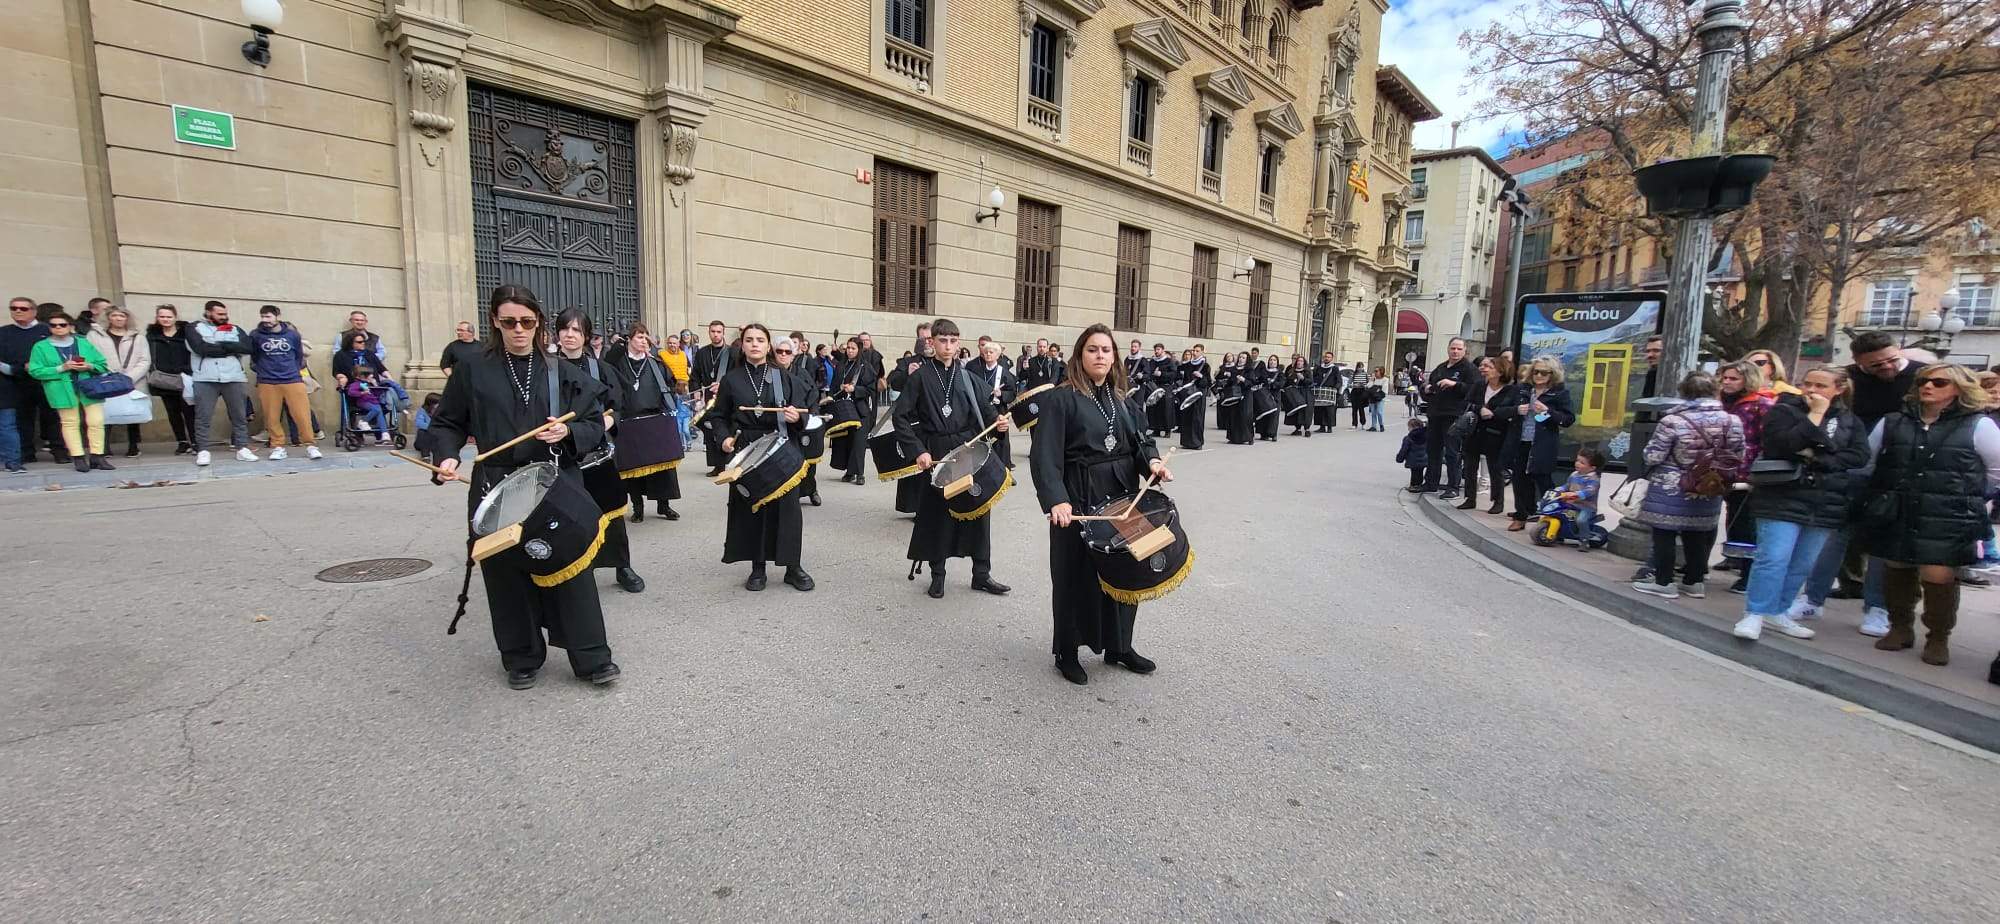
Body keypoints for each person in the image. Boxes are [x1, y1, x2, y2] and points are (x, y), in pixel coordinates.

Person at [428, 285, 618, 689]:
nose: (518, 330)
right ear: (495, 321)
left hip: (552, 480)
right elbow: (446, 423)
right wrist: (445, 456)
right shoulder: (473, 369)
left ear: (539, 323)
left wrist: (567, 430)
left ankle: (591, 657)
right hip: (496, 482)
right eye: (509, 321)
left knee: (571, 568)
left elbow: (594, 423)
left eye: (527, 322)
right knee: (505, 575)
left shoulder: (559, 371)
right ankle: (521, 656)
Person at [1029, 323, 1172, 685]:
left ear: (1114, 357)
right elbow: (1044, 455)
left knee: (1125, 570)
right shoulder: (1060, 398)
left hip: (1124, 493)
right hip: (1078, 497)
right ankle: (1067, 651)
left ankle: (1120, 646)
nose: (1100, 356)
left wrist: (1152, 463)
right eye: (1092, 349)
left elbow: (1142, 441)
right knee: (1074, 575)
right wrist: (1056, 499)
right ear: (1080, 355)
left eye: (1106, 350)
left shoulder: (1122, 398)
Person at [1863, 363, 1999, 668]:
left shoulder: (1978, 425)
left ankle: (1938, 636)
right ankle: (1900, 627)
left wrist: (1971, 495)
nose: (1928, 386)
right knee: (1896, 565)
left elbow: (1995, 471)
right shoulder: (1894, 422)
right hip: (1898, 506)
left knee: (1938, 573)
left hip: (1947, 512)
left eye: (1939, 382)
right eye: (1924, 380)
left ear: (1959, 388)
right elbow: (1870, 461)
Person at [1729, 366, 1871, 641]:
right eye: (1808, 383)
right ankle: (1756, 612)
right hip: (1783, 494)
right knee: (1774, 557)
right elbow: (1783, 445)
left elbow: (1859, 456)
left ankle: (1778, 610)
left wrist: (1817, 457)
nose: (1812, 391)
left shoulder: (1848, 420)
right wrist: (1815, 416)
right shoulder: (1784, 411)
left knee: (1803, 562)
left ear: (1839, 389)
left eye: (1821, 386)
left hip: (1825, 499)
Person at [892, 318, 1012, 599]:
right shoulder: (919, 377)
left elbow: (986, 415)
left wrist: (1000, 424)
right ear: (931, 342)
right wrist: (918, 450)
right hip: (935, 451)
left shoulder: (969, 378)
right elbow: (901, 418)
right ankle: (938, 575)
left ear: (959, 344)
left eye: (953, 341)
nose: (948, 346)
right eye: (942, 340)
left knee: (978, 510)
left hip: (966, 450)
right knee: (938, 516)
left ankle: (981, 574)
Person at [710, 323, 816, 592]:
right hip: (746, 449)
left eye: (760, 340)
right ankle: (758, 568)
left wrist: (798, 418)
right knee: (753, 509)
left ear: (768, 345)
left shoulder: (785, 377)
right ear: (742, 345)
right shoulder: (731, 380)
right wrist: (723, 438)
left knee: (789, 510)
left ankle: (793, 567)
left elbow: (807, 412)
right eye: (749, 340)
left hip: (781, 447)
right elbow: (718, 417)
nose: (755, 344)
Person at [552, 309, 645, 593]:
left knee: (612, 513)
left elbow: (620, 402)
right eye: (565, 329)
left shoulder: (601, 369)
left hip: (598, 455)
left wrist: (610, 419)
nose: (570, 335)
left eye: (576, 330)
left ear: (586, 336)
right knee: (568, 519)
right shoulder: (546, 370)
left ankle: (622, 566)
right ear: (557, 334)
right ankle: (576, 570)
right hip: (563, 458)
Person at [1631, 371, 1745, 599]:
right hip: (1709, 484)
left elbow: (1653, 455)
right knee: (1697, 532)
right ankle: (1694, 581)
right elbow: (1739, 453)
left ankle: (1664, 581)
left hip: (1672, 484)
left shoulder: (1672, 421)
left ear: (1683, 392)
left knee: (1664, 532)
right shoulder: (1732, 420)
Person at [606, 325, 683, 522]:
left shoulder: (656, 364)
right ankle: (637, 507)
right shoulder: (618, 363)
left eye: (646, 338)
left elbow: (670, 385)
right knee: (633, 469)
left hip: (655, 420)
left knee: (663, 469)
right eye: (639, 337)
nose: (643, 341)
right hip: (629, 421)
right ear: (629, 339)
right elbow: (607, 369)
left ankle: (664, 505)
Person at [1715, 360, 1777, 591]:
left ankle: (1749, 574)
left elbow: (1768, 442)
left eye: (1734, 378)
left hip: (1747, 472)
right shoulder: (1720, 403)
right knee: (1732, 520)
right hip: (1721, 470)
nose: (1727, 382)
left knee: (1746, 523)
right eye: (1725, 377)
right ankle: (1734, 560)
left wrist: (1755, 472)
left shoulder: (1762, 405)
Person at [27, 310, 114, 472]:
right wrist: (61, 368)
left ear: (70, 326)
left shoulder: (83, 342)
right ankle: (78, 457)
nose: (58, 328)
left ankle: (97, 456)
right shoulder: (41, 346)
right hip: (61, 388)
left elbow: (102, 363)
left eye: (62, 325)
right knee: (70, 422)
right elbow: (35, 370)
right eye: (53, 325)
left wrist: (89, 366)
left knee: (96, 421)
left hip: (88, 386)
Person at [1499, 356, 1574, 530]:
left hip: (1542, 444)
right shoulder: (1522, 389)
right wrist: (1516, 410)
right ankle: (1521, 515)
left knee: (1543, 481)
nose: (1539, 375)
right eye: (1535, 371)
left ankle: (1551, 517)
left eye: (1544, 372)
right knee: (1519, 480)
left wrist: (1548, 411)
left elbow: (1568, 419)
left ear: (1552, 374)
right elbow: (1500, 410)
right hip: (1521, 441)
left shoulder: (1560, 392)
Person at [184, 300, 256, 466]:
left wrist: (219, 346)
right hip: (205, 378)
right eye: (220, 314)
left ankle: (242, 447)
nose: (224, 317)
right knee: (203, 416)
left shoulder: (235, 328)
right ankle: (202, 450)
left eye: (225, 314)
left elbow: (247, 348)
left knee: (239, 415)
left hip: (234, 377)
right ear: (209, 313)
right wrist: (231, 348)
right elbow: (201, 348)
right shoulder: (193, 328)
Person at [248, 305, 321, 462]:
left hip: (292, 379)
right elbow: (254, 357)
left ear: (277, 316)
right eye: (263, 316)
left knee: (302, 414)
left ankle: (310, 445)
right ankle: (278, 446)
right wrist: (263, 371)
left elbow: (299, 356)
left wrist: (292, 370)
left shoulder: (292, 334)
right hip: (267, 381)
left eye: (268, 316)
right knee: (271, 416)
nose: (265, 320)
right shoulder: (255, 335)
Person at [1414, 338, 1478, 493]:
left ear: (1464, 351)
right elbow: (1429, 388)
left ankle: (1453, 486)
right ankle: (1430, 483)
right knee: (1433, 450)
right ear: (1448, 349)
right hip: (1435, 413)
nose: (1455, 351)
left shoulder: (1468, 369)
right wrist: (1427, 389)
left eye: (1458, 349)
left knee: (1452, 452)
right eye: (1453, 348)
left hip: (1454, 415)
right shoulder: (1441, 368)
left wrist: (1455, 384)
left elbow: (1474, 390)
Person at [86, 306, 150, 458]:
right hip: (105, 379)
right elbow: (90, 356)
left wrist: (130, 377)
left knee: (133, 413)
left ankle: (133, 445)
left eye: (122, 316)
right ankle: (105, 446)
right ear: (109, 317)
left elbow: (144, 360)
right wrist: (107, 374)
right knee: (105, 413)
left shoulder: (138, 337)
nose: (118, 319)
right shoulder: (94, 336)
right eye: (115, 315)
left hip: (132, 380)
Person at [0, 295, 56, 468]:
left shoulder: (47, 330)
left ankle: (60, 451)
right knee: (22, 419)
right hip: (14, 382)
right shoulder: (3, 332)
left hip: (46, 380)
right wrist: (15, 369)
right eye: (14, 308)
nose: (18, 311)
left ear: (34, 311)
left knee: (53, 417)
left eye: (23, 308)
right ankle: (26, 453)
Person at [1456, 355, 1514, 514]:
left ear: (1501, 371)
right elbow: (1467, 403)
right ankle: (1470, 498)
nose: (1485, 370)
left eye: (1490, 367)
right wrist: (1479, 408)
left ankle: (1498, 501)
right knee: (1470, 466)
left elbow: (1514, 410)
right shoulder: (1479, 385)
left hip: (1496, 433)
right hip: (1475, 430)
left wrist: (1494, 413)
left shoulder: (1511, 390)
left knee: (1495, 468)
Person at [771, 335, 824, 506]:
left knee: (807, 460)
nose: (783, 355)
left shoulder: (802, 373)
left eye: (787, 352)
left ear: (793, 355)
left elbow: (813, 394)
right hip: (778, 423)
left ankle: (811, 490)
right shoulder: (769, 372)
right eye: (779, 351)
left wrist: (809, 415)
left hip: (800, 422)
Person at [144, 305, 198, 456]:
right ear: (157, 317)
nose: (165, 319)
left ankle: (195, 441)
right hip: (164, 378)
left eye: (169, 316)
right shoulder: (152, 335)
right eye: (162, 316)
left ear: (175, 317)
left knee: (189, 411)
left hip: (185, 377)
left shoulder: (186, 333)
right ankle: (182, 442)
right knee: (172, 412)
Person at [830, 337, 879, 483]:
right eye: (848, 348)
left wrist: (854, 389)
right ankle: (849, 472)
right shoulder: (841, 365)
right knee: (847, 440)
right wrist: (838, 389)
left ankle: (860, 473)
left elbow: (871, 389)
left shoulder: (865, 367)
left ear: (859, 350)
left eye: (853, 348)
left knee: (859, 442)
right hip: (844, 408)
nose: (850, 351)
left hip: (860, 409)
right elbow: (834, 385)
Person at [690, 319, 734, 476]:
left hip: (727, 398)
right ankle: (717, 465)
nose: (715, 335)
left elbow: (737, 376)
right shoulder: (702, 353)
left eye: (718, 332)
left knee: (723, 429)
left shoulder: (732, 353)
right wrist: (696, 391)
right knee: (709, 430)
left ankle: (727, 463)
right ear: (709, 332)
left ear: (723, 333)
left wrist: (723, 385)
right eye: (713, 332)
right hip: (708, 398)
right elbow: (695, 375)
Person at [968, 338, 1020, 467]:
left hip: (999, 411)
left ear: (997, 355)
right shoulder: (977, 370)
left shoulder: (1004, 373)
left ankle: (1004, 471)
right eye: (986, 352)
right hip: (981, 413)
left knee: (1000, 444)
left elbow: (1012, 393)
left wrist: (1001, 394)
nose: (988, 355)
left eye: (991, 352)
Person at [1561, 447, 1604, 551]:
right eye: (1577, 460)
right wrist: (1559, 489)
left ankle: (1584, 541)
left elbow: (1590, 491)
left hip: (1586, 507)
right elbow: (1567, 485)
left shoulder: (1594, 479)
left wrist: (1576, 494)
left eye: (1582, 462)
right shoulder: (1574, 475)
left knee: (1581, 520)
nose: (1577, 464)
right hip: (1572, 504)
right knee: (1559, 513)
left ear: (1592, 468)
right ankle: (1560, 534)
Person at [1177, 346, 1210, 450]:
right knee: (1186, 417)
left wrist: (1201, 376)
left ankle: (1197, 442)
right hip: (1188, 393)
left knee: (1197, 418)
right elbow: (1182, 378)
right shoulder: (1187, 365)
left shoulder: (1205, 366)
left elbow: (1208, 382)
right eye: (1193, 351)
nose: (1194, 353)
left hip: (1199, 394)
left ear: (1202, 352)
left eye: (1197, 351)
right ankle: (1186, 442)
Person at [1145, 343, 1177, 437]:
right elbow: (1149, 372)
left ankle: (1167, 430)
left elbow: (1174, 374)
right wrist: (1152, 375)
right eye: (1155, 349)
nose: (1156, 351)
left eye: (1158, 349)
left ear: (1163, 350)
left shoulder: (1169, 361)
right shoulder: (1152, 361)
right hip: (1154, 386)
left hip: (1165, 386)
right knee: (1154, 408)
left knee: (1166, 409)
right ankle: (1156, 429)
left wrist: (1161, 374)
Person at [1283, 354, 1314, 438]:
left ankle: (1307, 429)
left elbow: (1310, 381)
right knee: (1296, 410)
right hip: (1295, 392)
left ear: (1304, 363)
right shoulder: (1291, 371)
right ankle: (1298, 428)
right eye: (1298, 361)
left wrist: (1303, 378)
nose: (1299, 362)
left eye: (1301, 361)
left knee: (1306, 411)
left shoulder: (1307, 371)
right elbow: (1287, 381)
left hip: (1305, 392)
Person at [1311, 352, 1342, 433]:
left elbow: (1339, 380)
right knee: (1319, 409)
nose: (1326, 358)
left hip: (1330, 392)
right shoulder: (1318, 368)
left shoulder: (1335, 369)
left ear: (1332, 359)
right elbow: (1314, 378)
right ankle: (1321, 426)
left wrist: (1336, 388)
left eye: (1328, 357)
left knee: (1329, 410)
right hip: (1320, 392)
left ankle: (1329, 427)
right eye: (1325, 357)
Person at [1396, 417, 1429, 489]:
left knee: (1414, 473)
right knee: (1420, 472)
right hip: (1424, 459)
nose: (1408, 429)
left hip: (1413, 460)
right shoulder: (1426, 436)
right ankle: (1418, 485)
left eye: (1409, 427)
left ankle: (1413, 486)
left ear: (1413, 427)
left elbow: (1404, 450)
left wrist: (1399, 458)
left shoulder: (1408, 438)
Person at [1368, 366, 1391, 431]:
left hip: (1380, 398)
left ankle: (1381, 425)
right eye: (1374, 371)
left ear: (1381, 371)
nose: (1375, 372)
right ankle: (1373, 426)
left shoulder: (1385, 379)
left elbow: (1384, 389)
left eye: (1376, 371)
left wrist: (1375, 389)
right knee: (1373, 412)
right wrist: (1372, 381)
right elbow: (1369, 386)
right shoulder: (1373, 379)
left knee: (1379, 412)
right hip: (1372, 397)